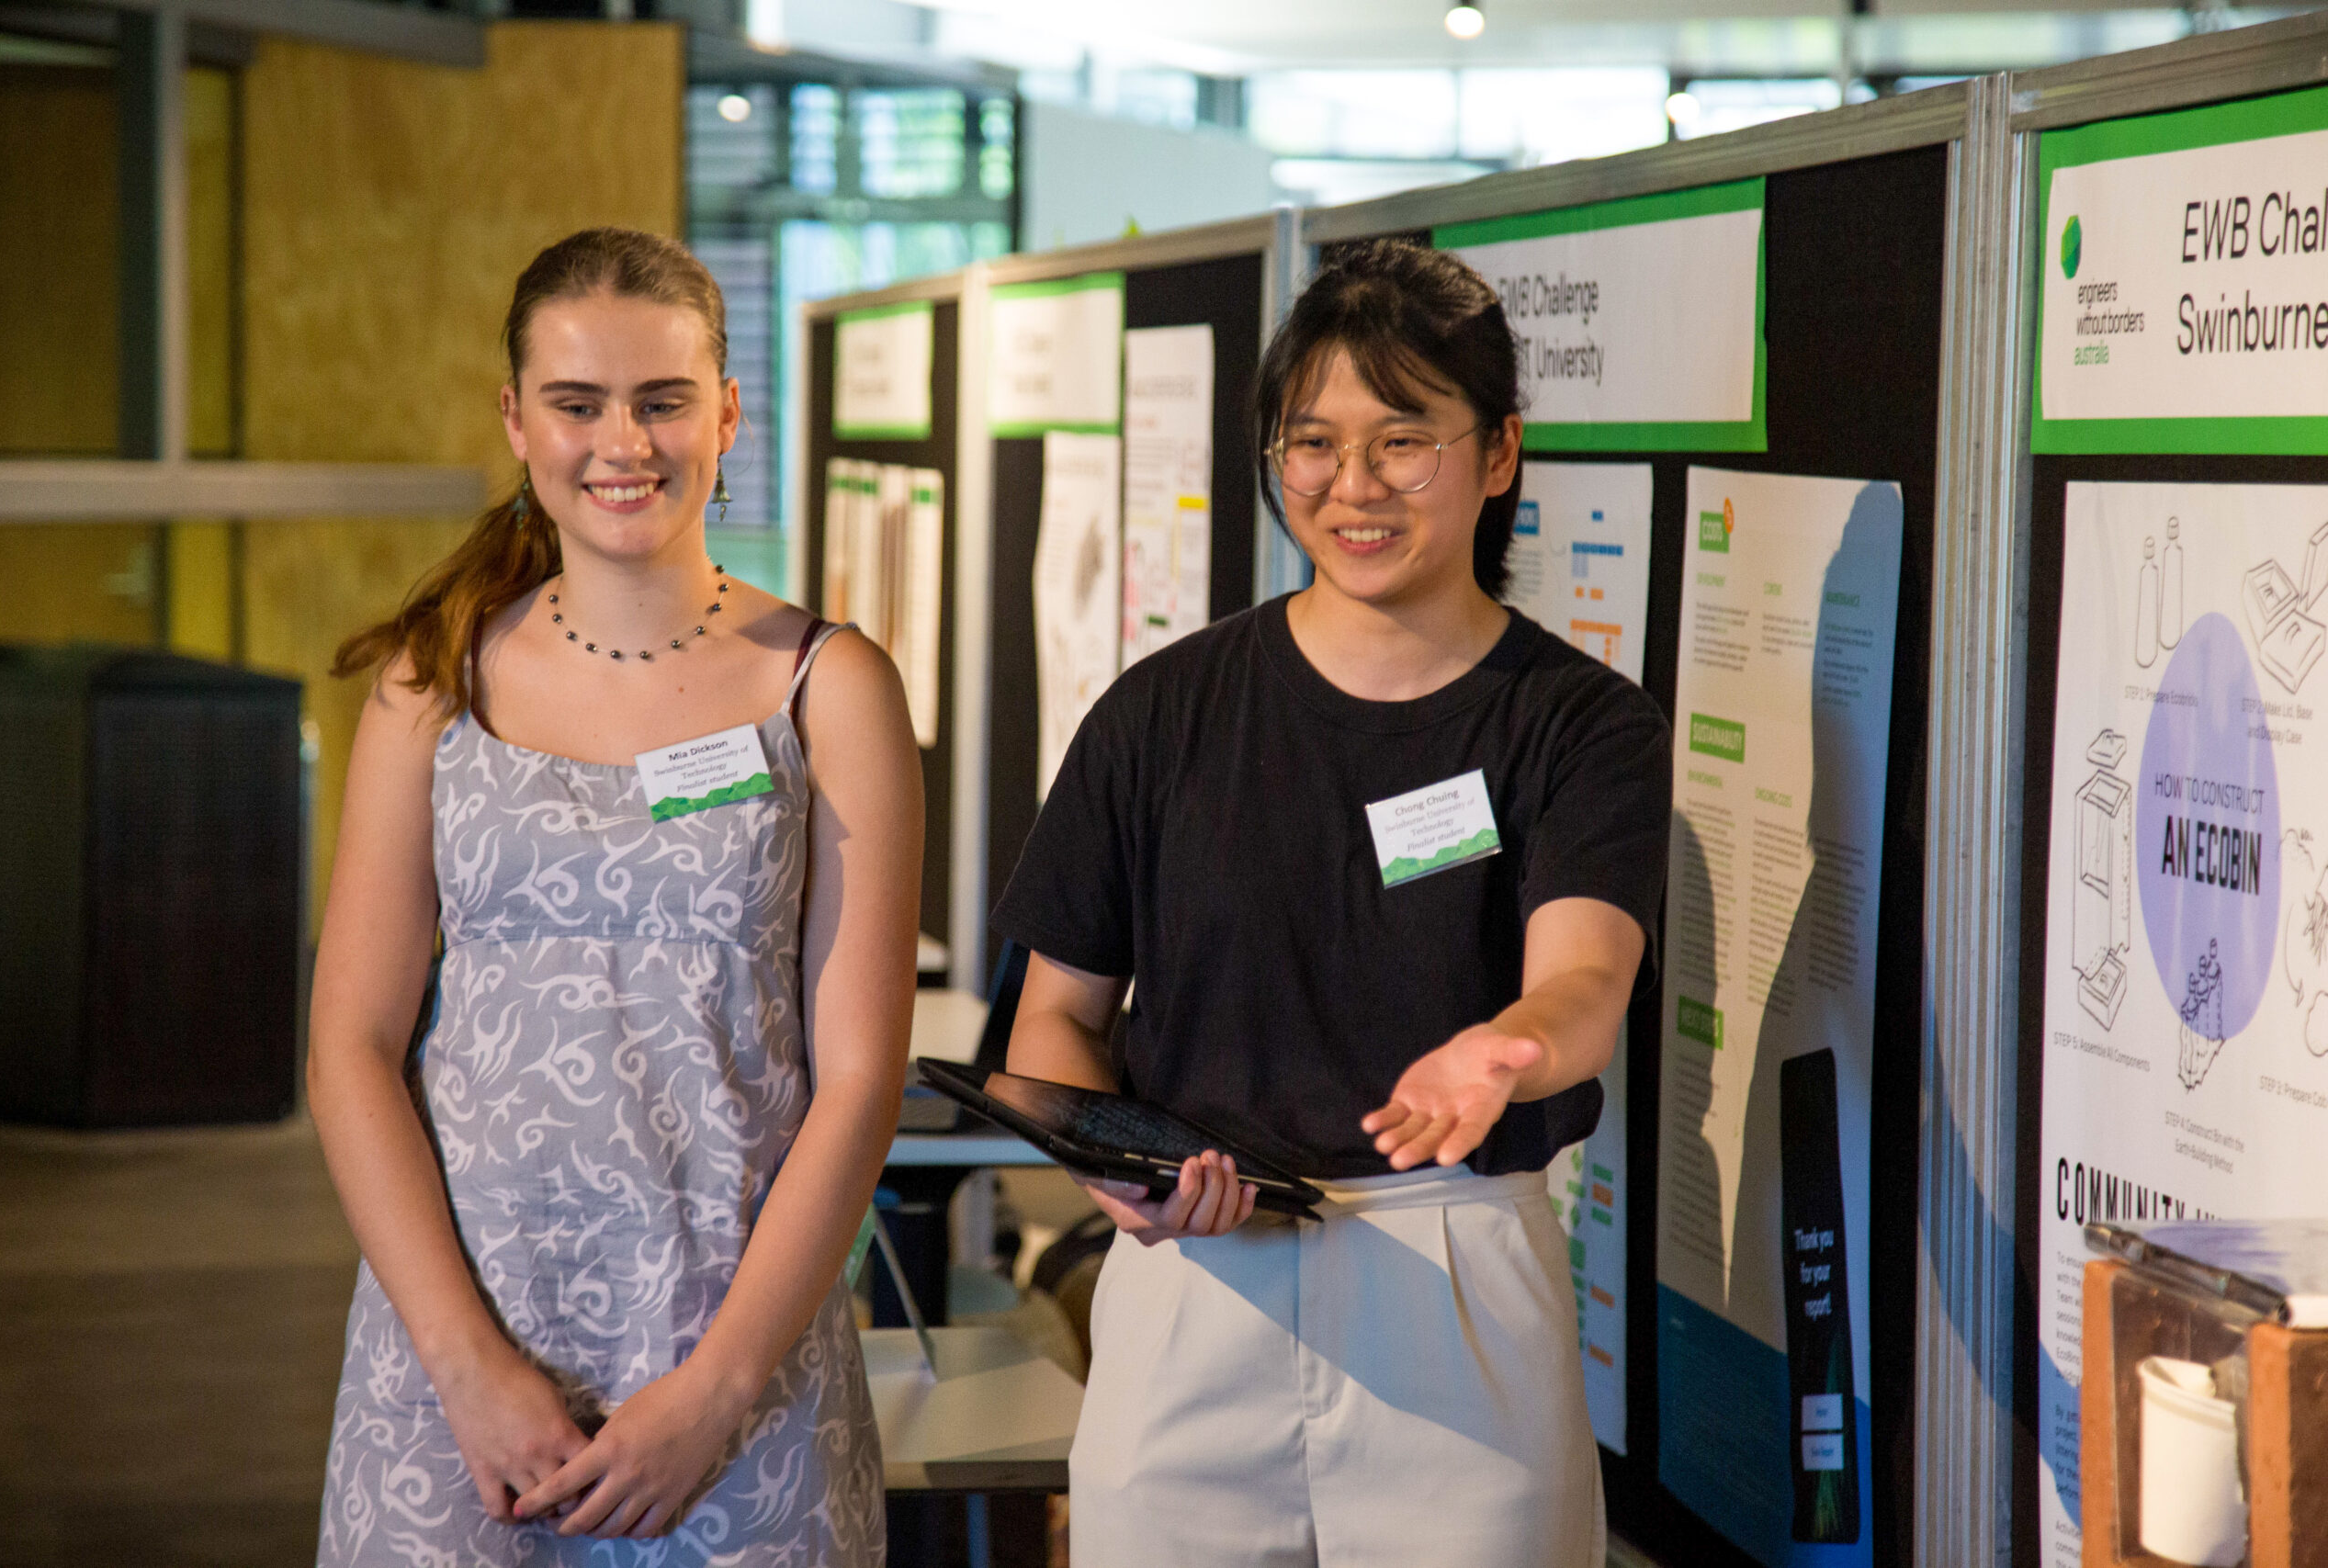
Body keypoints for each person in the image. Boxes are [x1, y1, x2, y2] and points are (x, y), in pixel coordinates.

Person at [993, 238, 1671, 1567]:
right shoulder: (1163, 713)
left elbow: (1586, 980)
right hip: (1197, 1272)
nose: (1352, 487)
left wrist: (1508, 1048)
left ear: (1498, 453)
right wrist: (1114, 1161)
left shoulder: (1581, 724)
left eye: (1402, 440)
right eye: (1311, 443)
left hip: (1455, 1285)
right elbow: (1055, 1020)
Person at [308, 227, 920, 1564]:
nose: (621, 443)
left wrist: (715, 1395)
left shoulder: (832, 687)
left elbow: (861, 1078)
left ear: (726, 413)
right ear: (517, 420)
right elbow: (350, 1048)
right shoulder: (433, 681)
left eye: (662, 400)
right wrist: (467, 1368)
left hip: (732, 1368)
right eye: (579, 404)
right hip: (458, 1361)